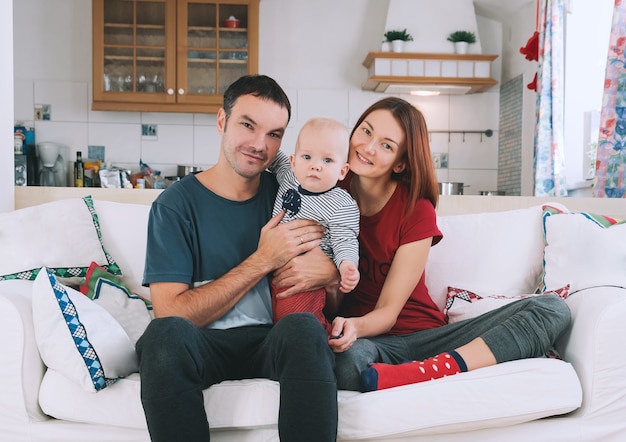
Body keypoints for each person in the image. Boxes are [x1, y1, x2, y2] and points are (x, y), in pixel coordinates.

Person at [314, 96, 571, 392]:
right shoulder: (327, 193)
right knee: (346, 365)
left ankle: (434, 370)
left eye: (386, 145)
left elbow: (387, 312)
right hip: (367, 345)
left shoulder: (415, 209)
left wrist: (355, 326)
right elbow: (327, 296)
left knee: (552, 309)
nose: (368, 147)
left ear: (400, 163)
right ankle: (416, 375)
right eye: (366, 131)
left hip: (425, 339)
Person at [136, 74, 339, 442]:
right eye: (248, 125)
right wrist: (263, 259)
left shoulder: (292, 196)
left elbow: (331, 293)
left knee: (305, 329)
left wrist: (330, 275)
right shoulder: (176, 204)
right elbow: (171, 312)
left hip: (270, 340)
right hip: (202, 345)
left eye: (274, 134)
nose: (260, 145)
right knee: (162, 336)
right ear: (221, 121)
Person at [269, 117, 360, 334]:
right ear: (294, 161)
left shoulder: (341, 204)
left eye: (327, 160)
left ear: (342, 171)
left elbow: (345, 239)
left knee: (297, 323)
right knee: (278, 322)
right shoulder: (289, 177)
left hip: (306, 280)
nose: (315, 166)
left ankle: (327, 337)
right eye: (307, 157)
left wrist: (347, 266)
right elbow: (273, 156)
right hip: (275, 272)